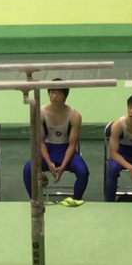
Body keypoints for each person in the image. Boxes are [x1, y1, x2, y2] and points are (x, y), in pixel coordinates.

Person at [22, 79, 88, 207]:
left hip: (66, 151)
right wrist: (48, 162)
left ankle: (76, 199)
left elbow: (72, 145)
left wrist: (63, 166)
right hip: (47, 151)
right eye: (52, 92)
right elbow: (40, 142)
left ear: (65, 95)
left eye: (58, 93)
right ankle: (35, 200)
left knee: (83, 172)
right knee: (28, 169)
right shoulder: (41, 113)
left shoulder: (75, 116)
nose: (54, 96)